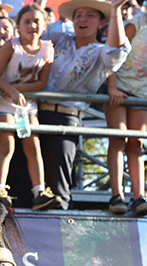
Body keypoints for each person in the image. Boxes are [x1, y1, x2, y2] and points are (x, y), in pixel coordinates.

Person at [34, 0, 130, 210]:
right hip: (33, 114)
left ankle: (56, 234)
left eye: (90, 15)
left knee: (58, 186)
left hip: (65, 121)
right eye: (78, 15)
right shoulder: (58, 38)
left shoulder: (100, 52)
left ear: (102, 23)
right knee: (28, 183)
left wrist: (115, 10)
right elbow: (30, 33)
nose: (83, 19)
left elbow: (116, 52)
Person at [0, 4, 61, 210]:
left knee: (33, 145)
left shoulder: (48, 48)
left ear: (45, 25)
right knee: (8, 143)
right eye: (27, 21)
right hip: (4, 101)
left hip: (27, 104)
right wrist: (11, 91)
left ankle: (40, 191)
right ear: (18, 26)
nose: (32, 26)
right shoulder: (11, 45)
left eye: (36, 21)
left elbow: (42, 82)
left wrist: (17, 89)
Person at [104, 9, 147, 215]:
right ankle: (117, 195)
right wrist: (111, 86)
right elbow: (115, 50)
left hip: (141, 93)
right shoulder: (138, 23)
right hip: (119, 89)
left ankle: (139, 197)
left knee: (136, 143)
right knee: (119, 137)